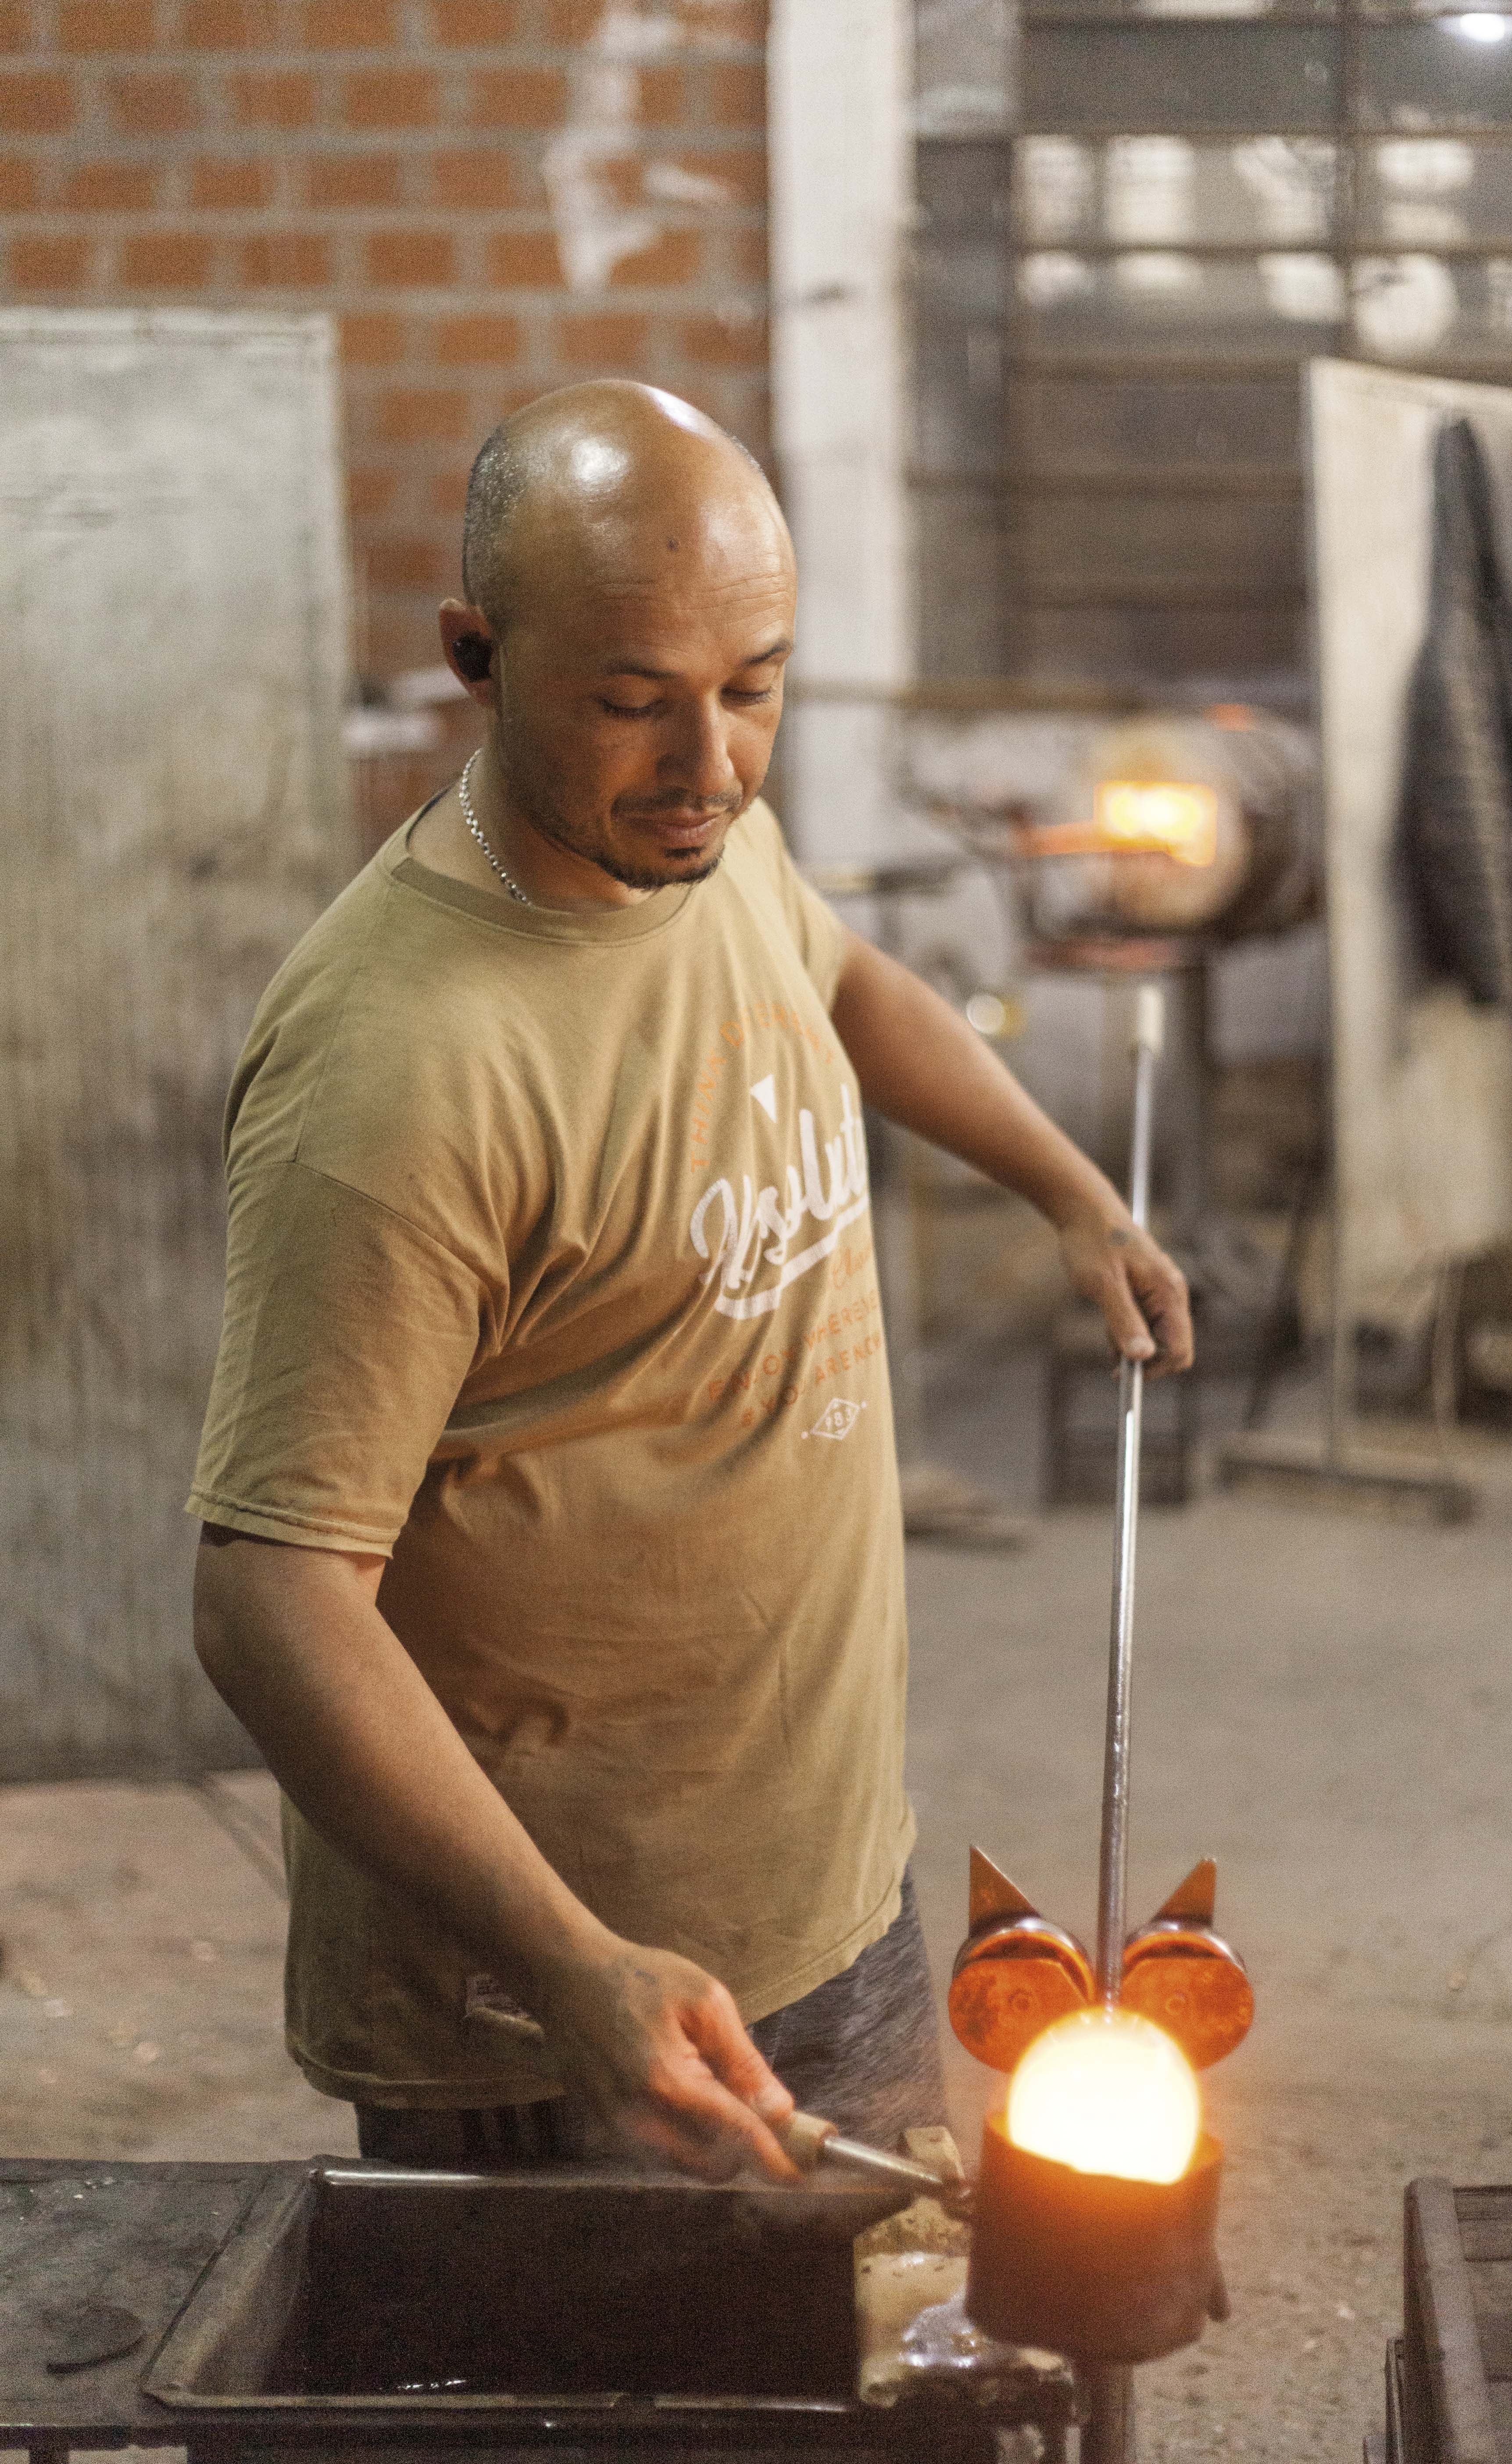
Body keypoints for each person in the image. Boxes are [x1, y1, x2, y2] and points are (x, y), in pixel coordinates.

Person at [190, 380, 1192, 2184]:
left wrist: (1068, 1192)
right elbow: (272, 1603)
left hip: (828, 1896)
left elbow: (840, 975)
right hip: (558, 2006)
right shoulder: (403, 1067)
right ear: (476, 660)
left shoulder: (692, 845)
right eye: (634, 701)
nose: (713, 764)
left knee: (884, 2390)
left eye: (756, 687)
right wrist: (573, 1972)